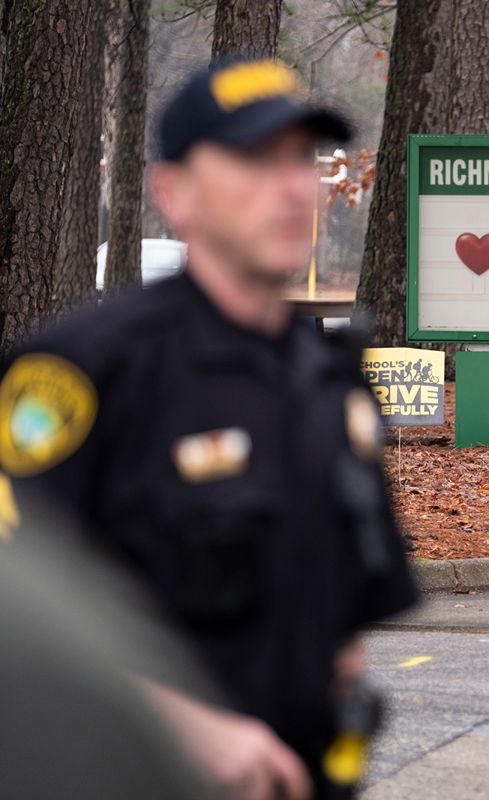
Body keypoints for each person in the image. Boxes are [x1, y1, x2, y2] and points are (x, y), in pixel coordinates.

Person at [0, 57, 418, 799]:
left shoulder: (331, 380)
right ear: (174, 194)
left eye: (302, 160)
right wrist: (185, 729)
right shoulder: (82, 373)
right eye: (255, 160)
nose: (292, 188)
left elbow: (349, 609)